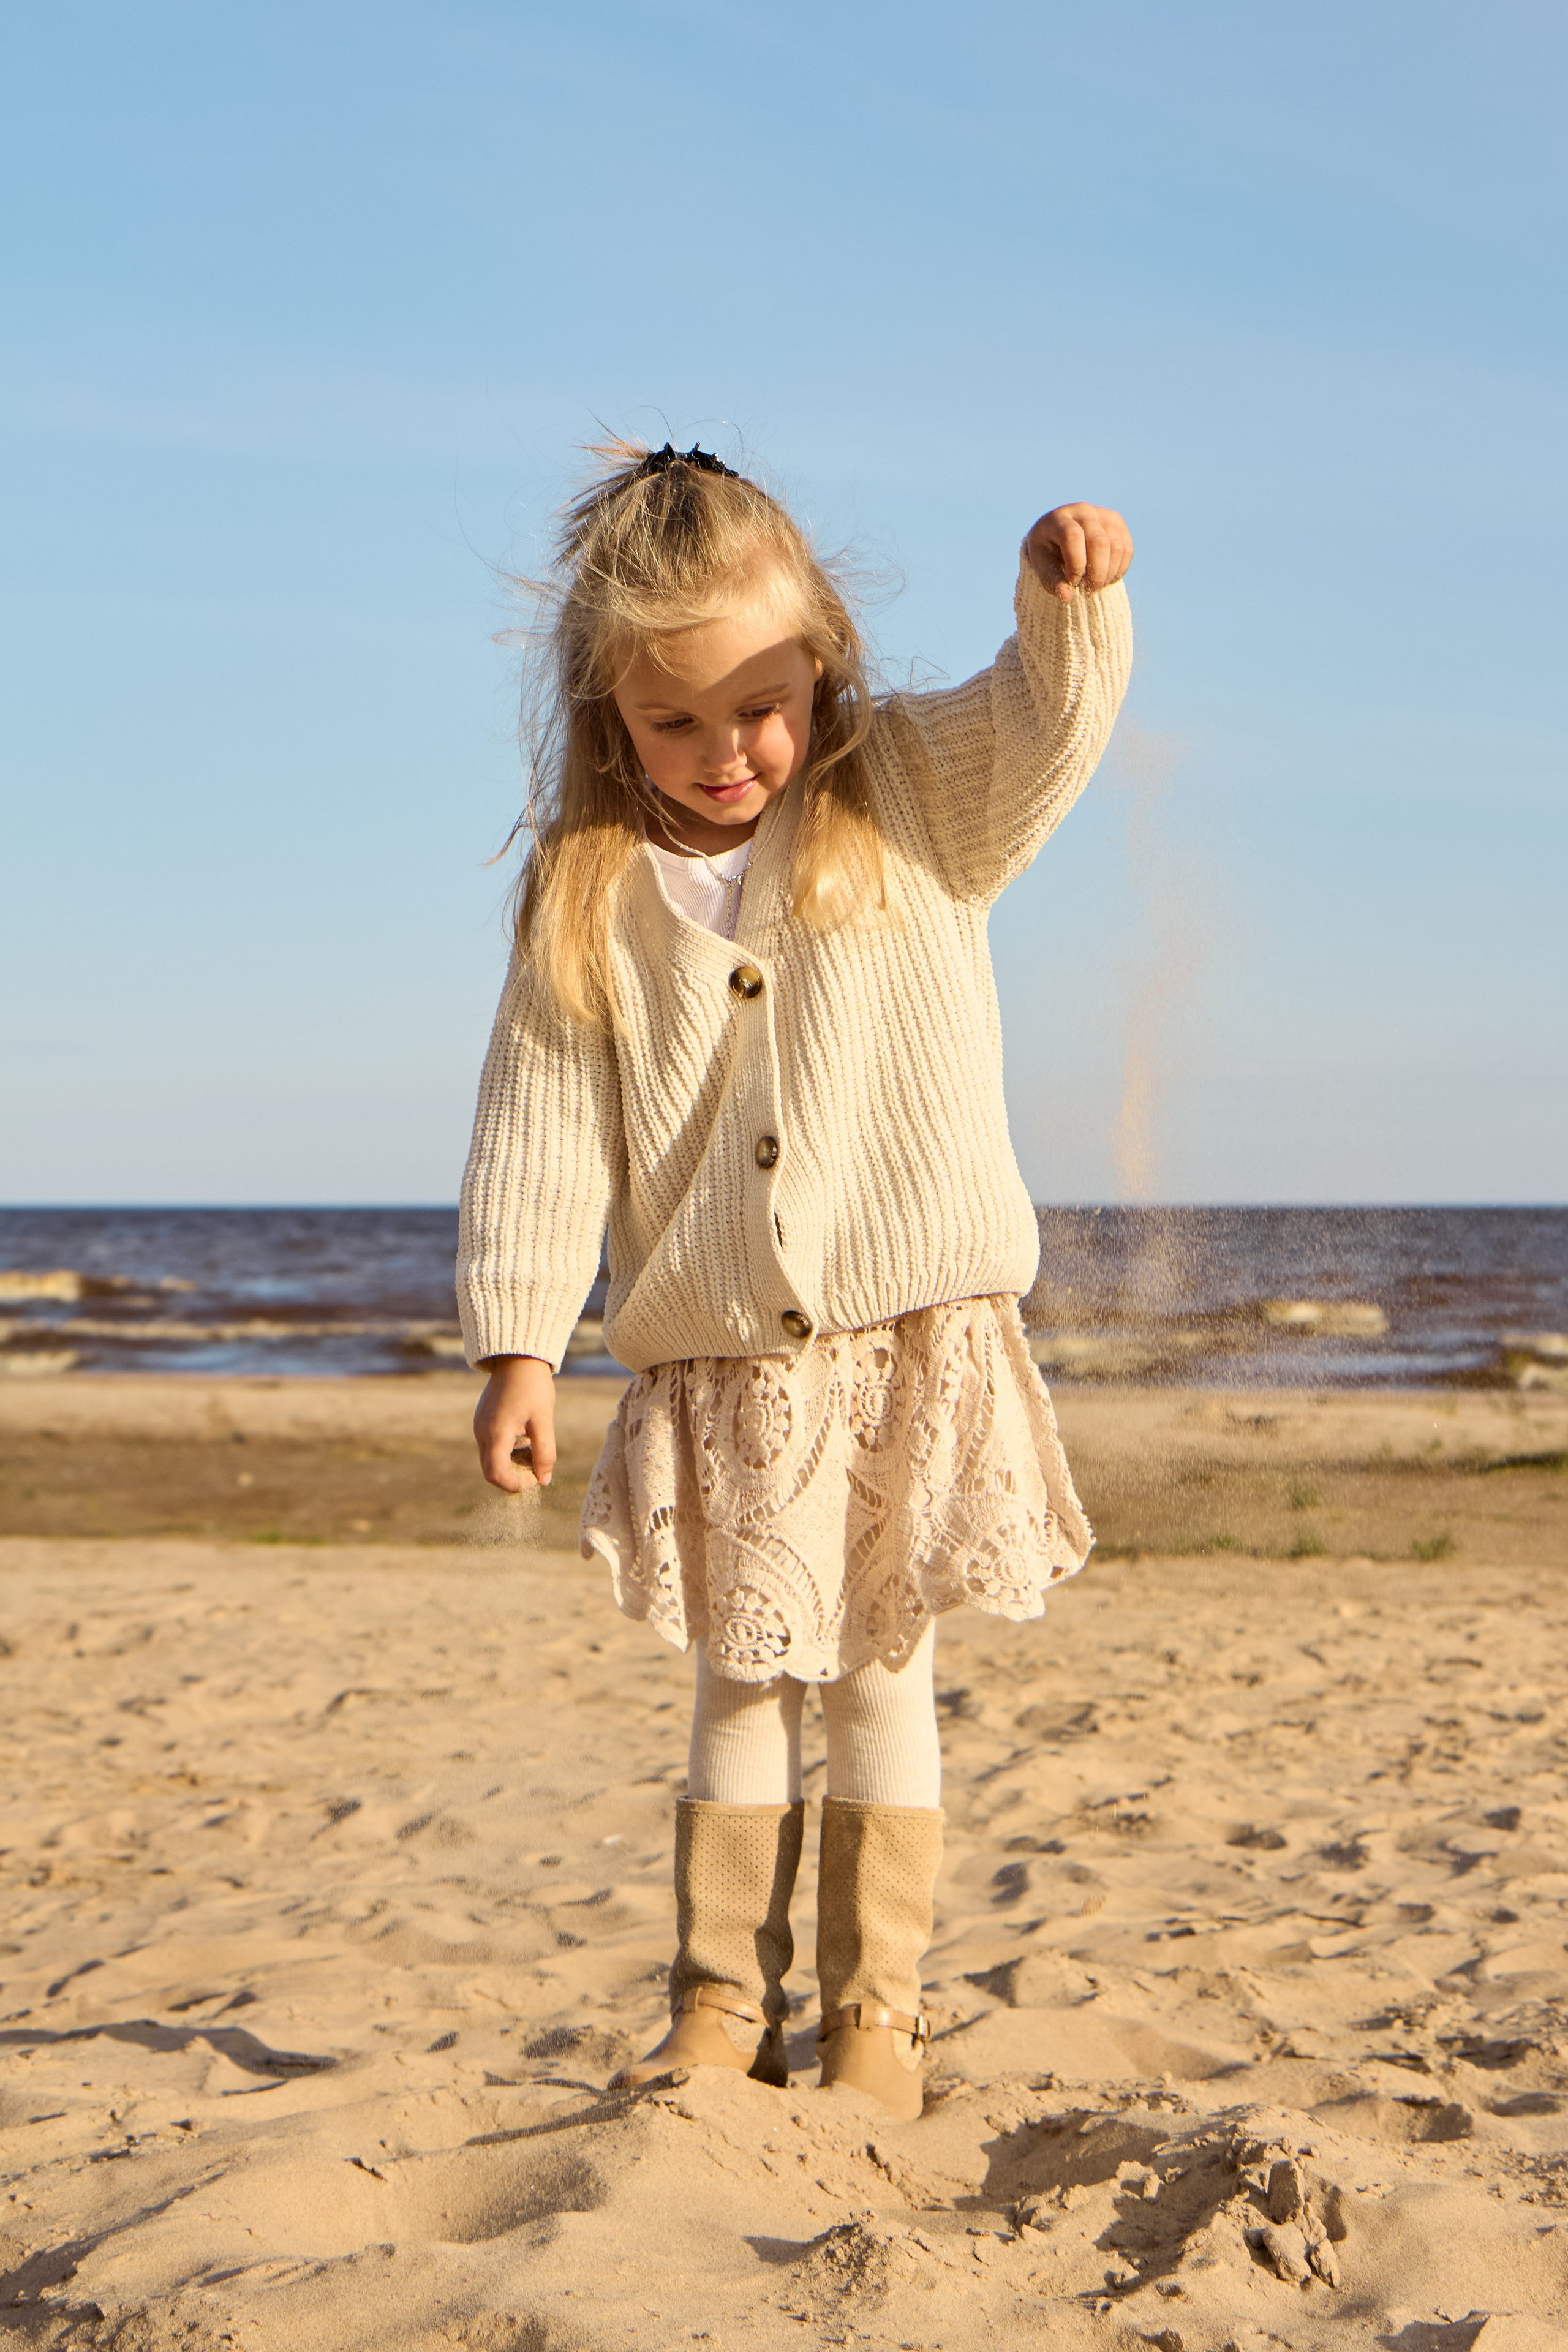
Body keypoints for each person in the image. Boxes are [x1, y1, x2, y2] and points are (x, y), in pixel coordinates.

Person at [458, 439, 1133, 2119]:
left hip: (908, 1339)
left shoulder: (910, 794)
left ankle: (877, 2017)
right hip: (726, 1364)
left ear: (823, 662)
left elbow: (1046, 730)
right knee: (742, 1680)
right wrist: (519, 1346)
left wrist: (1064, 607)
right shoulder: (589, 888)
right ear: (609, 712)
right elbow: (541, 1125)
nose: (724, 754)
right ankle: (716, 2004)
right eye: (672, 722)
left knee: (882, 1673)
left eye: (760, 707)